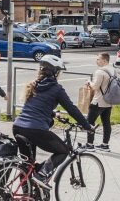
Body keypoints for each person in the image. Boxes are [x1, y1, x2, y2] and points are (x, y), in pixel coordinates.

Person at [13, 55, 93, 189]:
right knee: (63, 151)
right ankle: (42, 174)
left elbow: (35, 106)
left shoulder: (34, 84)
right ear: (55, 72)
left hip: (18, 126)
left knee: (27, 163)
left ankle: (26, 194)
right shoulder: (57, 89)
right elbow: (72, 109)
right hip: (35, 129)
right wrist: (86, 125)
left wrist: (53, 113)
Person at [85, 53, 115, 152]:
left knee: (90, 122)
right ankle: (105, 145)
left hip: (98, 101)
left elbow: (94, 87)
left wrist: (89, 81)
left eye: (98, 59)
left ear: (104, 60)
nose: (96, 61)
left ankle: (89, 145)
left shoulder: (99, 72)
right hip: (109, 101)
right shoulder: (113, 70)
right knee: (106, 123)